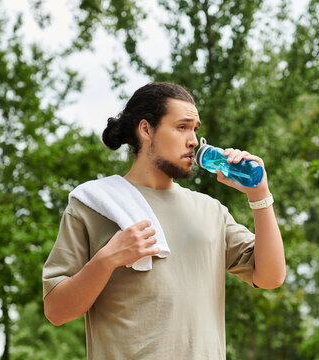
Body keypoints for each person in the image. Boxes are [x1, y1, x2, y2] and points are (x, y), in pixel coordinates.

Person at [42, 82, 286, 359]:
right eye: (182, 127)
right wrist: (106, 259)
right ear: (146, 130)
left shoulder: (211, 211)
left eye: (195, 129)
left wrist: (260, 195)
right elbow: (56, 311)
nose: (193, 139)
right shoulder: (94, 206)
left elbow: (270, 277)